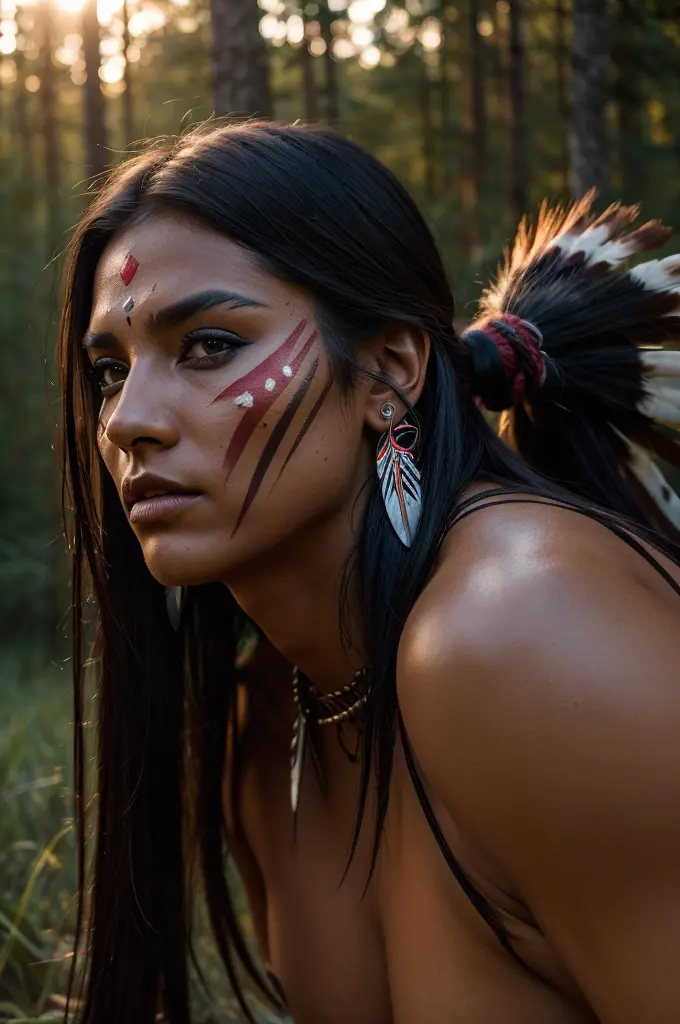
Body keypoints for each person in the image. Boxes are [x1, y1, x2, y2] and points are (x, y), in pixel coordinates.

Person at [59, 121, 680, 1024]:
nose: (127, 422)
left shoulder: (517, 637)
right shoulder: (269, 719)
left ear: (389, 372)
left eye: (207, 346)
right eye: (110, 371)